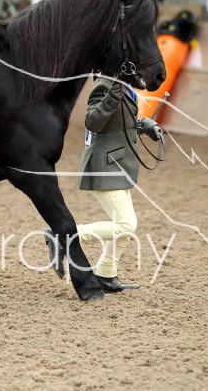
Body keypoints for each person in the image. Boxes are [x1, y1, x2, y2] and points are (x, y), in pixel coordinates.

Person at [44, 74, 163, 292]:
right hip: (104, 166)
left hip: (118, 166)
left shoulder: (124, 87)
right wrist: (111, 99)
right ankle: (62, 236)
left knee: (124, 225)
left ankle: (106, 274)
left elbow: (120, 121)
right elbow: (93, 122)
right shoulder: (105, 86)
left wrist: (146, 125)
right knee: (126, 225)